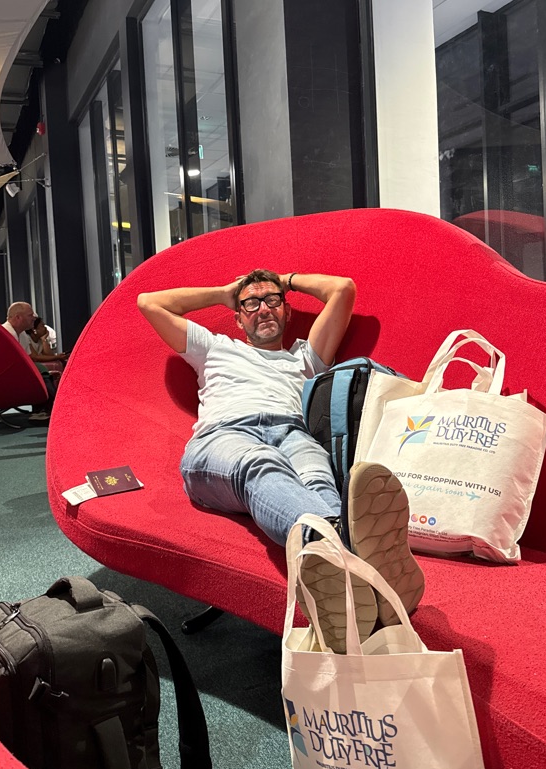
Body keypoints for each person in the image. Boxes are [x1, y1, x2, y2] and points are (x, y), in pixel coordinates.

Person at [137, 269, 425, 634]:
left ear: (287, 311)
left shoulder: (305, 356)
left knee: (319, 480)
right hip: (222, 438)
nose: (263, 309)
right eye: (251, 304)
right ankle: (340, 549)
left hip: (292, 432)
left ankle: (351, 588)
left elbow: (343, 289)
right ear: (238, 318)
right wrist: (225, 292)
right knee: (261, 463)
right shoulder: (213, 346)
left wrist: (286, 280)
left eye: (272, 301)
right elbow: (149, 303)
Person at [1, 302, 57, 420]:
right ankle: (48, 409)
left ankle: (45, 410)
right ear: (18, 317)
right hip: (5, 377)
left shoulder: (22, 335)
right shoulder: (5, 334)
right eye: (30, 315)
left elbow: (28, 359)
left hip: (16, 374)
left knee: (43, 374)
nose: (34, 318)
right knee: (41, 374)